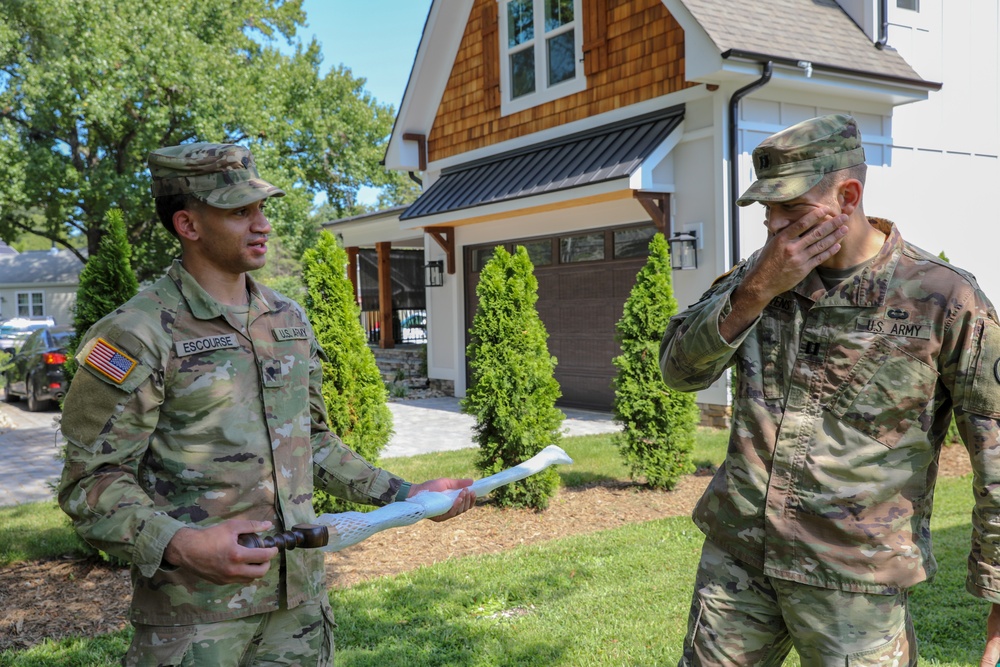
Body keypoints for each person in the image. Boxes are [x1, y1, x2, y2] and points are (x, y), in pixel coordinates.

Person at [57, 142, 476, 666]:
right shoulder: (137, 333)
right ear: (188, 225)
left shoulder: (287, 320)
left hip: (297, 609)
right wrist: (182, 543)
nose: (262, 225)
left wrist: (407, 493)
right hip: (196, 621)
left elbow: (311, 442)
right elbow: (89, 479)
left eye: (261, 209)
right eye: (239, 212)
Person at [659, 114, 1000, 666]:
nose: (773, 224)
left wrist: (999, 600)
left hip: (855, 582)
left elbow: (996, 453)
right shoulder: (759, 276)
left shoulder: (943, 298)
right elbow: (679, 371)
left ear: (848, 195)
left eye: (791, 208)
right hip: (739, 562)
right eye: (766, 209)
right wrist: (755, 292)